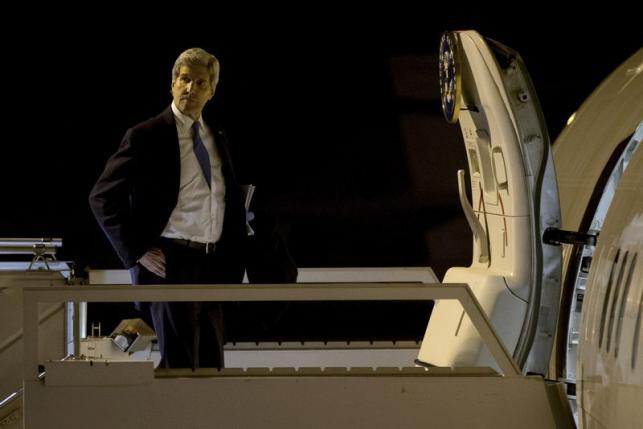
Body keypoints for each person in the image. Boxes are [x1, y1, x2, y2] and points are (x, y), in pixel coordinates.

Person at [90, 47, 291, 369]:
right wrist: (138, 250)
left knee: (212, 362)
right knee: (181, 365)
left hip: (213, 264)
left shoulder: (217, 136)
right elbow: (101, 198)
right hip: (170, 263)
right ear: (172, 84)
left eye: (200, 83)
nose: (190, 89)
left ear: (211, 91)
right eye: (184, 80)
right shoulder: (146, 135)